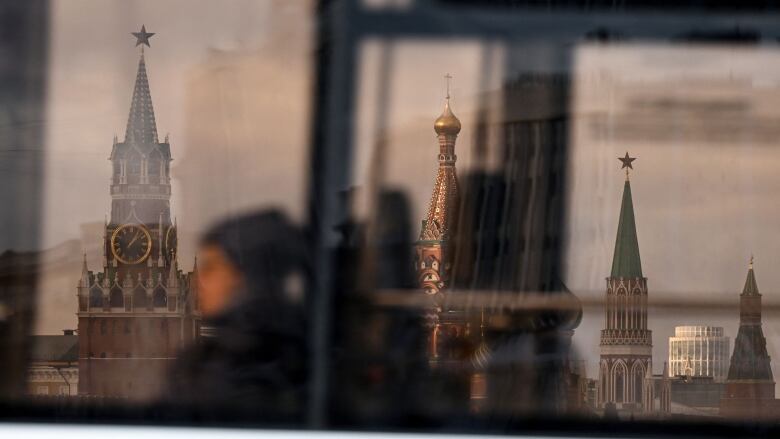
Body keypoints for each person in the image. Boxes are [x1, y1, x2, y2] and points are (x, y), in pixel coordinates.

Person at [163, 210, 309, 423]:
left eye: (210, 268)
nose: (196, 281)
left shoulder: (236, 363)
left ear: (247, 277)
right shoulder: (299, 346)